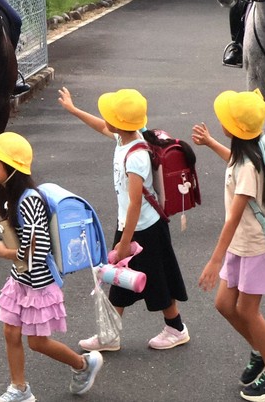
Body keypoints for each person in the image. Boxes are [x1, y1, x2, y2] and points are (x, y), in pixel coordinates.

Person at [57, 87, 190, 352]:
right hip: (135, 227)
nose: (103, 119)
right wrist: (74, 110)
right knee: (124, 278)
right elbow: (100, 127)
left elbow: (135, 203)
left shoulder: (136, 156)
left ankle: (174, 328)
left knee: (154, 278)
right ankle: (113, 334)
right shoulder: (125, 139)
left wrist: (125, 243)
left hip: (144, 229)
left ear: (118, 124)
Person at [191, 89, 265, 402]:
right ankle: (263, 350)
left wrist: (214, 261)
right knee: (225, 305)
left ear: (232, 128)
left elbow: (234, 217)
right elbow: (235, 166)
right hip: (241, 247)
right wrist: (211, 143)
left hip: (255, 248)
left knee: (248, 312)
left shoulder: (250, 166)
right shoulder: (247, 154)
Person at [0, 132, 103, 402]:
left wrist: (4, 252)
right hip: (21, 279)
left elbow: (36, 249)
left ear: (10, 168)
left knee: (37, 342)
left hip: (38, 282)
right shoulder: (9, 194)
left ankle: (83, 364)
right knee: (10, 331)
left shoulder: (30, 200)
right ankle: (19, 389)